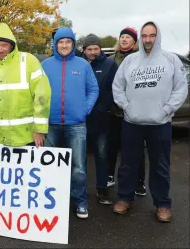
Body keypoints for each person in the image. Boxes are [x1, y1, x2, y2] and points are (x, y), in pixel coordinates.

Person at [111, 21, 188, 222]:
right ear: (140, 38)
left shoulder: (170, 60)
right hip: (132, 123)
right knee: (128, 164)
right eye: (144, 36)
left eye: (152, 36)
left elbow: (180, 88)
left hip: (160, 124)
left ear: (158, 36)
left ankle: (163, 204)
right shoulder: (129, 61)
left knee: (160, 166)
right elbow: (117, 87)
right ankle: (125, 198)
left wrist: (167, 109)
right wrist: (127, 107)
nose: (148, 40)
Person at [41, 27, 99, 219]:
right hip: (50, 124)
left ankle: (80, 201)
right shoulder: (46, 65)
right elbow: (37, 93)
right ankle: (48, 200)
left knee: (79, 167)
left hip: (77, 125)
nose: (64, 45)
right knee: (48, 165)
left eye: (68, 42)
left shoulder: (83, 65)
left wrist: (85, 109)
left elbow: (93, 89)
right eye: (60, 42)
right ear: (55, 44)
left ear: (73, 44)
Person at [0, 22, 52, 148]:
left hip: (27, 137)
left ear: (11, 45)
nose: (0, 49)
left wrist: (39, 129)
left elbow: (42, 96)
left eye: (4, 45)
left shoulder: (29, 61)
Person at [107, 27, 147, 196]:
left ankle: (139, 182)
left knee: (135, 148)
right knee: (111, 146)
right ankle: (109, 175)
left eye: (128, 37)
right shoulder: (110, 59)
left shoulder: (142, 58)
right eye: (122, 37)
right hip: (114, 112)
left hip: (134, 113)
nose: (124, 39)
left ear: (134, 41)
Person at [82, 34, 118, 205]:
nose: (93, 52)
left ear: (100, 49)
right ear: (84, 50)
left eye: (96, 48)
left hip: (100, 119)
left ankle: (102, 189)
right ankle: (78, 190)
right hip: (80, 119)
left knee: (101, 155)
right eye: (89, 49)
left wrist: (102, 107)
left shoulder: (110, 64)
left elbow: (114, 89)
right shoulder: (79, 64)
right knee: (79, 157)